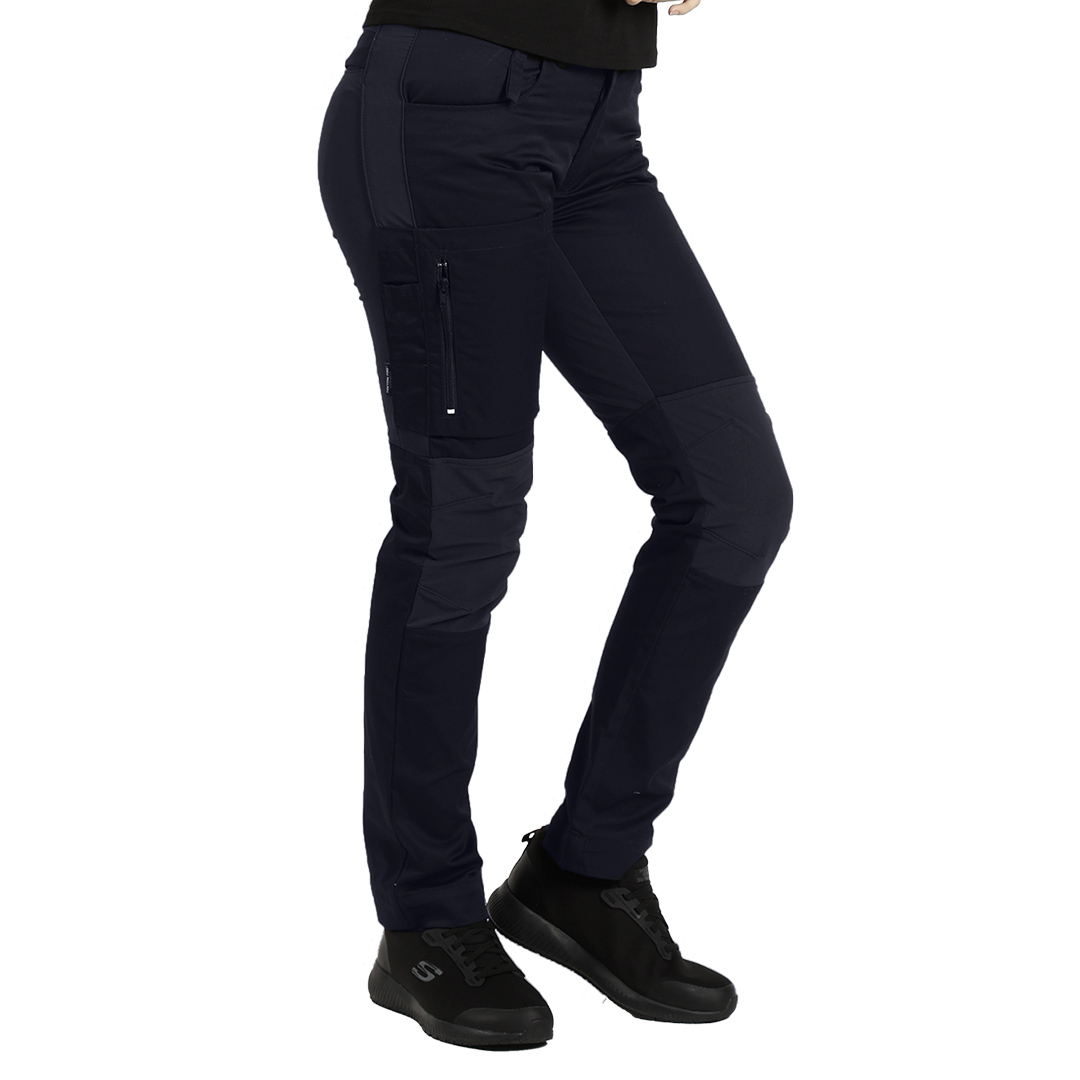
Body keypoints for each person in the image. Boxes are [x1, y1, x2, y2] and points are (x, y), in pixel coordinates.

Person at [317, 0, 793, 1049]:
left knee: (736, 496)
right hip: (448, 110)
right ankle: (425, 916)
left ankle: (584, 870)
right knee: (464, 518)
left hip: (598, 129)